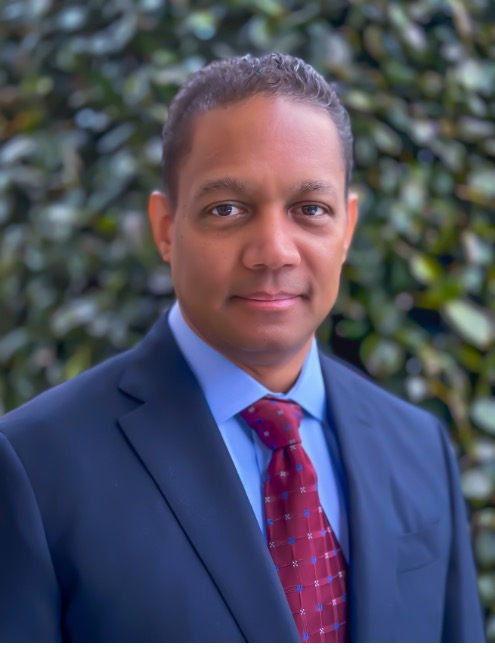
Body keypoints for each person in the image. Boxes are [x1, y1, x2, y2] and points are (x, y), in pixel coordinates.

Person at [0, 53, 485, 643]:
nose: (274, 251)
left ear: (347, 229)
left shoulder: (419, 446)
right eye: (226, 209)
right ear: (164, 228)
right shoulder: (34, 465)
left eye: (311, 210)